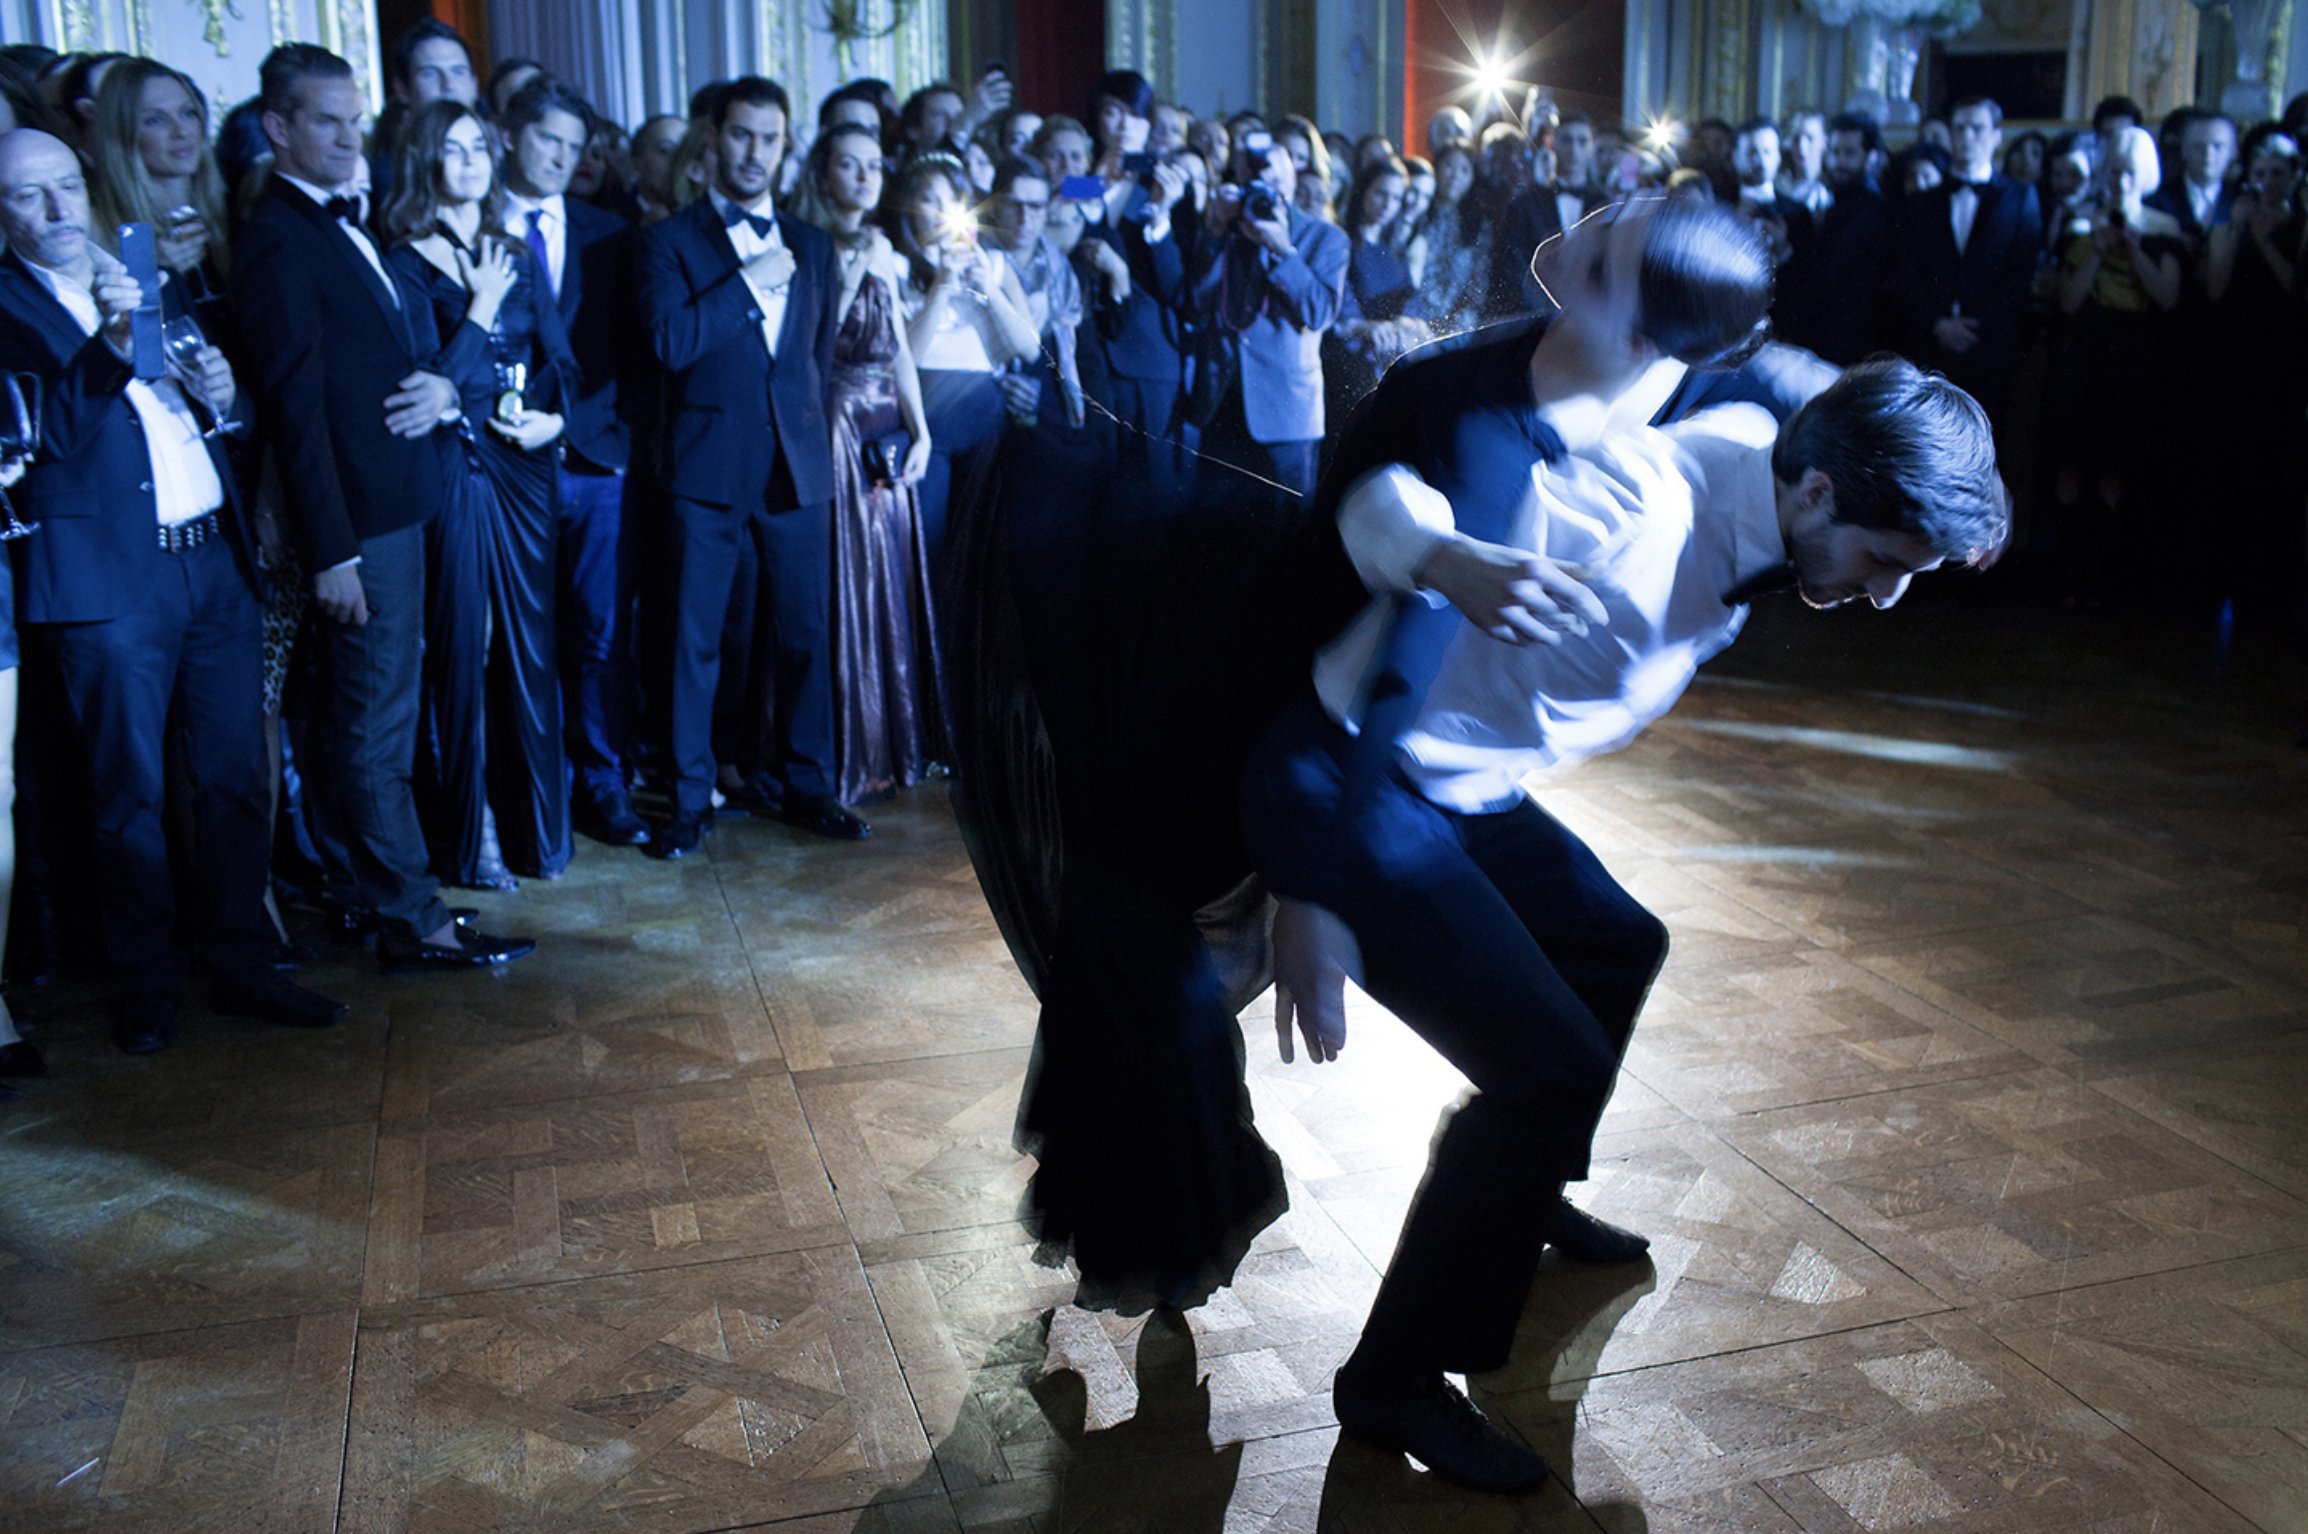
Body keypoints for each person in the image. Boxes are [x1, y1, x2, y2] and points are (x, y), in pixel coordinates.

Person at [1241, 219, 2006, 1491]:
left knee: (1615, 939)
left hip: (1465, 782)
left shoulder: (1779, 457)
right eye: (1882, 564)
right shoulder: (1630, 511)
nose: (1883, 599)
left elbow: (1813, 384)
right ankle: (1391, 1379)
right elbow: (1400, 532)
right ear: (1815, 495)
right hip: (1350, 778)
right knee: (1543, 1066)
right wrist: (1312, 887)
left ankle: (1522, 1188)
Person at [0, 126, 350, 1050]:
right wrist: (114, 344)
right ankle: (148, 979)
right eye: (28, 196)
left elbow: (210, 415)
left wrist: (226, 396)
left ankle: (239, 960)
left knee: (234, 775)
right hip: (108, 585)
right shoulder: (5, 308)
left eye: (66, 186)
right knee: (129, 794)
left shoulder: (143, 269)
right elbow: (40, 443)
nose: (57, 209)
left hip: (212, 561)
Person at [233, 44, 535, 973]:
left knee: (375, 722)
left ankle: (389, 898)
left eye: (354, 117)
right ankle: (411, 918)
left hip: (393, 509)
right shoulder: (279, 234)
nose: (348, 135)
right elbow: (294, 406)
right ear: (279, 126)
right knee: (374, 727)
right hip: (359, 528)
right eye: (326, 119)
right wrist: (332, 551)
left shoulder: (335, 222)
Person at [636, 76, 863, 854]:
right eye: (740, 135)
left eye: (770, 138)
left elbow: (817, 359)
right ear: (713, 140)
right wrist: (745, 287)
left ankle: (809, 785)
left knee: (805, 634)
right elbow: (669, 345)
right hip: (705, 469)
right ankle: (689, 800)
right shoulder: (667, 241)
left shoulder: (815, 244)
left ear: (785, 144)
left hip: (795, 468)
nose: (755, 152)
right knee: (693, 641)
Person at [383, 99, 577, 889]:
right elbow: (426, 383)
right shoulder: (402, 259)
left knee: (529, 651)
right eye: (452, 149)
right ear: (424, 160)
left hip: (524, 464)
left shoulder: (512, 249)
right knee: (469, 647)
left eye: (477, 148)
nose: (470, 162)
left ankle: (536, 831)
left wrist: (555, 421)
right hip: (455, 463)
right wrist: (484, 306)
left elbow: (560, 359)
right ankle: (473, 836)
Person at [497, 76, 650, 850]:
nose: (559, 157)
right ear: (507, 135)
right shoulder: (470, 222)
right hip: (498, 466)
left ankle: (603, 780)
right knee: (517, 637)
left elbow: (630, 359)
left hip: (593, 463)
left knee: (598, 633)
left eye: (571, 144)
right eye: (544, 139)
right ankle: (532, 791)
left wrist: (574, 424)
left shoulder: (609, 233)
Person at [790, 121, 940, 804]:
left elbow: (900, 350)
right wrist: (855, 269)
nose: (864, 178)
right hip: (836, 421)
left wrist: (923, 428)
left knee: (887, 577)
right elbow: (817, 342)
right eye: (848, 166)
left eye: (874, 166)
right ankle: (844, 754)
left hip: (886, 424)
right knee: (845, 582)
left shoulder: (885, 249)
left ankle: (893, 744)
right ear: (823, 175)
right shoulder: (806, 244)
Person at [2047, 125, 2181, 604]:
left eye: (2129, 172)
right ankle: (2067, 573)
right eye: (2113, 171)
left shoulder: (2164, 229)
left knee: (2116, 464)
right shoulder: (2081, 225)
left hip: (2131, 356)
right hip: (2082, 351)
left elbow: (2167, 297)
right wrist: (2100, 248)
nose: (2120, 180)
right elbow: (2067, 300)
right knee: (2071, 460)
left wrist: (2135, 247)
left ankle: (2102, 573)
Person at [887, 153, 1036, 560]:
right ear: (908, 206)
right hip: (927, 415)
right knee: (929, 541)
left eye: (951, 199)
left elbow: (1028, 347)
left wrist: (988, 288)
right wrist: (942, 286)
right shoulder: (897, 267)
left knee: (981, 549)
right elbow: (907, 355)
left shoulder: (997, 264)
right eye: (928, 199)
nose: (939, 210)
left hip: (984, 415)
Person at [1187, 134, 1348, 505]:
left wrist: (1282, 248)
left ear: (1292, 178)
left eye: (1273, 180)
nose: (1264, 189)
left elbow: (1319, 313)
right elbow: (1196, 302)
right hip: (1222, 403)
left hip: (1285, 413)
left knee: (1284, 539)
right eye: (1253, 180)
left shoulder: (1324, 236)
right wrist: (1213, 230)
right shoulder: (1226, 231)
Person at [1894, 96, 2042, 427]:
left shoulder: (2019, 196)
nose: (1967, 137)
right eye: (1959, 128)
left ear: (1996, 136)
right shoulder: (1921, 202)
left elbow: (2020, 273)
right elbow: (1908, 273)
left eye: (1977, 128)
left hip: (1990, 346)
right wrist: (1939, 323)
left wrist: (1973, 326)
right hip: (1930, 345)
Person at [84, 59, 231, 336]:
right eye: (155, 120)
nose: (181, 131)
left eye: (188, 113)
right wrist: (148, 270)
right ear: (123, 134)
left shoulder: (234, 208)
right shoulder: (97, 230)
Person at [1774, 111, 1893, 364]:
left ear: (1870, 158)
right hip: (1821, 336)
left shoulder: (1872, 210)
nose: (1839, 161)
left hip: (1845, 341)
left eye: (1849, 153)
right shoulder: (1833, 200)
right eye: (1835, 151)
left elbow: (1826, 273)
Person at [1325, 154, 1429, 425]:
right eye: (1381, 193)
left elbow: (1412, 300)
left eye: (1396, 198)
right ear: (1364, 191)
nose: (1387, 205)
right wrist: (1367, 327)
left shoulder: (1395, 250)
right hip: (1349, 366)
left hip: (1388, 366)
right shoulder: (1341, 241)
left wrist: (1410, 324)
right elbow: (1342, 311)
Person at [1485, 128, 1605, 319]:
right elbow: (1515, 267)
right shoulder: (1525, 204)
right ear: (1553, 144)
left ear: (1591, 147)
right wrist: (1544, 317)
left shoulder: (1607, 201)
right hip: (1537, 320)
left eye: (1582, 141)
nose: (1573, 149)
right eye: (1566, 140)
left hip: (1595, 321)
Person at [1405, 143, 1491, 337]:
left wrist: (1461, 320)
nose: (1455, 175)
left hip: (1457, 326)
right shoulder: (1417, 212)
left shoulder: (1478, 227)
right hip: (1414, 321)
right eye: (1449, 166)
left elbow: (1478, 282)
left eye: (1464, 170)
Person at [1781, 109, 1831, 214]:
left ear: (1824, 142)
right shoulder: (1779, 186)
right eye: (1796, 138)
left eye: (1810, 138)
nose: (1801, 146)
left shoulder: (1831, 187)